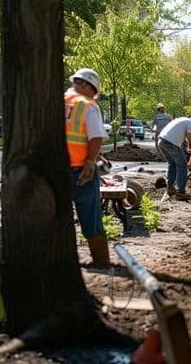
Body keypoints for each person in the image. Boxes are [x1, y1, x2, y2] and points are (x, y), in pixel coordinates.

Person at [65, 68, 110, 267]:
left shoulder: (55, 100)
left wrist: (97, 154)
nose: (95, 96)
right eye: (94, 91)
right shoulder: (88, 105)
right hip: (81, 170)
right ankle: (102, 262)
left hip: (55, 170)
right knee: (91, 217)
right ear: (84, 85)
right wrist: (92, 161)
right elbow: (96, 136)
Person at [158, 116, 191, 200]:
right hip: (170, 143)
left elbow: (181, 139)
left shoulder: (181, 120)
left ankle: (170, 188)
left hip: (161, 141)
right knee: (182, 165)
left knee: (172, 164)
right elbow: (189, 136)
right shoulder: (190, 122)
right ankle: (181, 192)